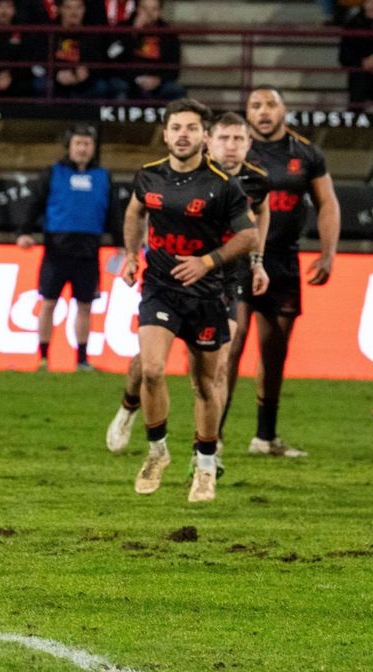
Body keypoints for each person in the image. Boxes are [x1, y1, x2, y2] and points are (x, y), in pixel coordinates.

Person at [118, 98, 259, 502]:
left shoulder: (223, 184)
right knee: (152, 369)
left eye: (192, 128)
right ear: (165, 134)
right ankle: (156, 452)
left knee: (204, 384)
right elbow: (134, 212)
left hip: (207, 293)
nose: (183, 135)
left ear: (204, 136)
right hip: (160, 287)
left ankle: (206, 465)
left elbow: (248, 235)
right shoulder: (148, 176)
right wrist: (131, 255)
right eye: (176, 128)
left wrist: (206, 262)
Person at [237, 87, 340, 458]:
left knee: (274, 351)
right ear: (247, 112)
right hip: (238, 257)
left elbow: (328, 203)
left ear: (284, 109)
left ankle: (264, 437)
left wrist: (327, 254)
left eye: (271, 104)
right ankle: (211, 438)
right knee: (232, 342)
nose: (263, 112)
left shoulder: (306, 153)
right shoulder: (235, 149)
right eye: (256, 105)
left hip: (283, 260)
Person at [16, 126, 115, 373]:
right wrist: (24, 232)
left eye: (87, 144)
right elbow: (35, 204)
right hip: (56, 249)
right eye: (78, 143)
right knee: (49, 303)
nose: (83, 148)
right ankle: (43, 358)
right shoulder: (53, 173)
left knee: (85, 306)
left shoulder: (103, 176)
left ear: (93, 148)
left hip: (89, 251)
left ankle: (82, 360)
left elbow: (113, 212)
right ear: (69, 146)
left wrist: (122, 242)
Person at [205, 113, 272, 463]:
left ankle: (211, 439)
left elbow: (263, 214)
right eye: (224, 138)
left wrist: (258, 261)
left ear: (249, 144)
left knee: (225, 354)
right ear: (209, 141)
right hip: (186, 270)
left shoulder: (257, 180)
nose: (231, 146)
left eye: (238, 139)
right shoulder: (191, 172)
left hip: (231, 272)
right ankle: (130, 406)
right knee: (151, 364)